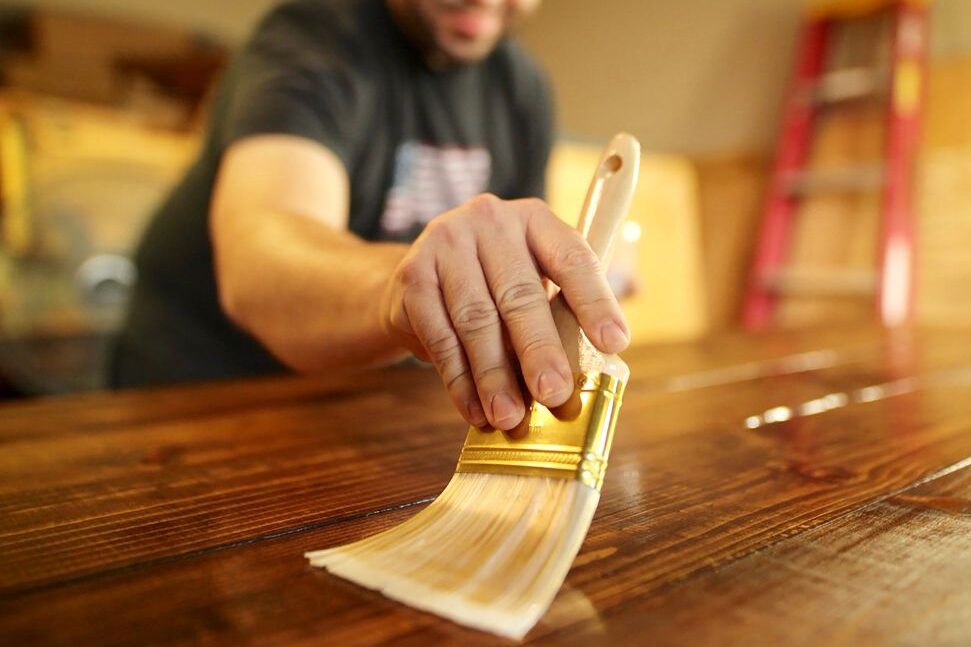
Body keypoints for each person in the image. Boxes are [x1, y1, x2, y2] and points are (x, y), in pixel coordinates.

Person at [109, 0, 631, 432]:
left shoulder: (522, 90)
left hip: (363, 415)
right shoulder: (311, 42)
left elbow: (511, 266)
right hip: (197, 408)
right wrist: (405, 288)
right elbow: (258, 257)